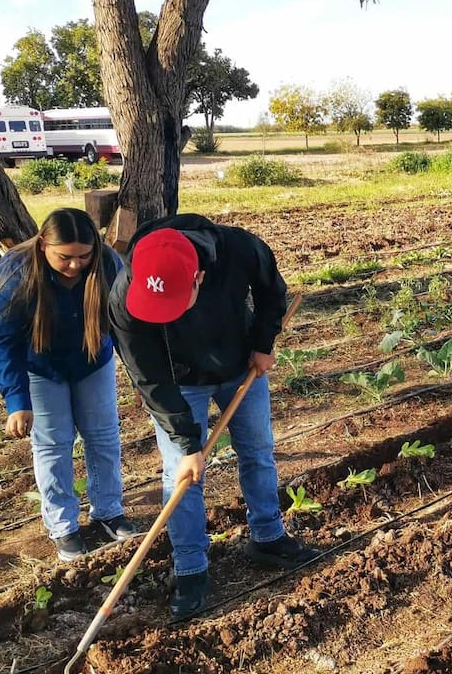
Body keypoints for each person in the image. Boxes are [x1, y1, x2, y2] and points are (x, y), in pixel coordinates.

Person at [108, 215, 318, 619]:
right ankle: (190, 567)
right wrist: (187, 443)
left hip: (239, 365)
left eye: (171, 305)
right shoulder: (124, 295)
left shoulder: (239, 248)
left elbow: (273, 290)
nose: (162, 316)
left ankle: (268, 536)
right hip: (178, 381)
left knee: (257, 450)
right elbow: (148, 376)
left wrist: (262, 342)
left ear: (198, 278)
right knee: (181, 474)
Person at [0, 208, 135, 562]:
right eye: (65, 257)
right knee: (53, 444)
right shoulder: (16, 273)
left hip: (92, 360)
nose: (75, 265)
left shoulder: (108, 265)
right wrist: (17, 400)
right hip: (41, 367)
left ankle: (108, 512)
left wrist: (141, 379)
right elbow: (4, 342)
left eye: (83, 256)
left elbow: (125, 327)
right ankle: (64, 526)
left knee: (103, 436)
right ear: (43, 246)